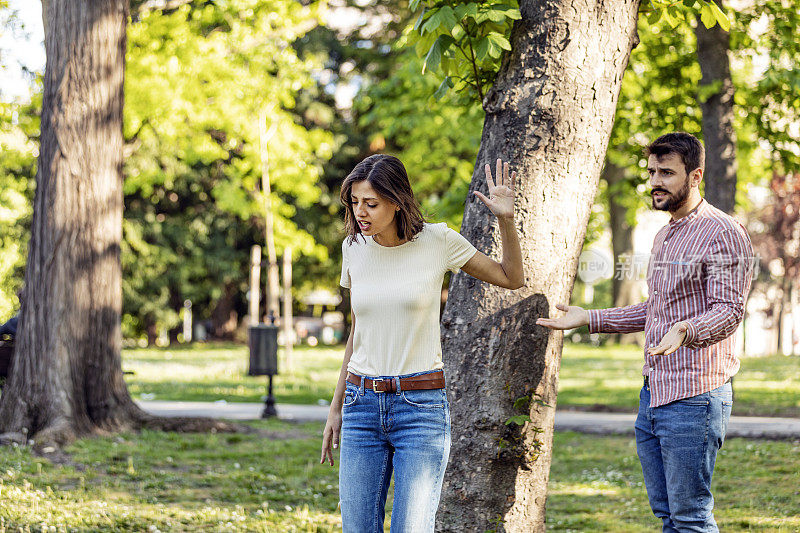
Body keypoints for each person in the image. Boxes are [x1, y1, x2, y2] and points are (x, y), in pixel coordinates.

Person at [537, 132, 754, 533]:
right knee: (668, 516)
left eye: (667, 172)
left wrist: (686, 331)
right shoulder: (665, 234)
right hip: (653, 394)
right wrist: (590, 318)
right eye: (652, 171)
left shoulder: (724, 232)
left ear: (695, 176)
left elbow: (729, 311)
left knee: (690, 518)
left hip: (695, 396)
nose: (655, 181)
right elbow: (655, 310)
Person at [320, 154, 524, 532]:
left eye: (371, 203)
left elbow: (512, 278)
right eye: (354, 202)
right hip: (360, 406)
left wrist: (506, 220)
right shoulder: (354, 247)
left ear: (396, 201)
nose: (360, 212)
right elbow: (357, 333)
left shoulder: (438, 240)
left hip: (419, 408)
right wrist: (336, 409)